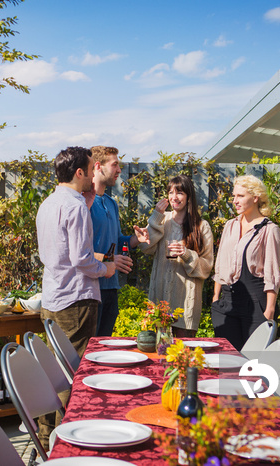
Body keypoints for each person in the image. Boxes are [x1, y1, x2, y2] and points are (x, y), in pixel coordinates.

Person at [35, 146, 115, 450]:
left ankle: (45, 440)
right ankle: (66, 446)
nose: (96, 172)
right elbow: (82, 260)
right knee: (72, 375)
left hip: (52, 297)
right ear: (80, 172)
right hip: (77, 300)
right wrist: (106, 269)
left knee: (51, 373)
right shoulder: (76, 207)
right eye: (92, 168)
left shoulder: (49, 203)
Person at [211, 174, 280, 351]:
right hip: (227, 303)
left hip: (256, 303)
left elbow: (272, 272)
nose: (235, 200)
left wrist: (269, 311)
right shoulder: (230, 226)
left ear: (256, 197)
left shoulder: (269, 229)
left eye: (240, 196)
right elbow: (220, 264)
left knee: (254, 361)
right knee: (228, 359)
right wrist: (215, 298)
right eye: (234, 196)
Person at [139, 175, 214, 338]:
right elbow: (145, 246)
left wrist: (186, 254)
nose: (174, 197)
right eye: (171, 192)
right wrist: (156, 216)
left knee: (181, 359)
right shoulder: (161, 219)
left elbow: (206, 268)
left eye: (179, 192)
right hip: (159, 308)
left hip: (186, 308)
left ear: (188, 197)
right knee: (159, 358)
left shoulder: (202, 227)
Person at [88, 145, 149, 336]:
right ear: (98, 166)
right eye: (115, 164)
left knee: (104, 347)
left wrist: (134, 240)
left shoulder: (111, 203)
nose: (119, 170)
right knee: (89, 350)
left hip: (111, 287)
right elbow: (80, 250)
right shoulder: (83, 203)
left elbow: (118, 242)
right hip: (91, 288)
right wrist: (110, 258)